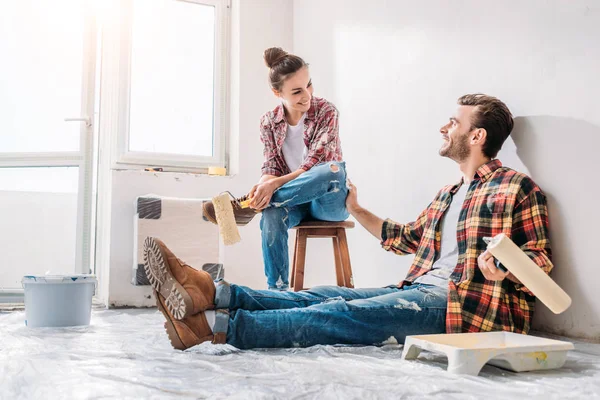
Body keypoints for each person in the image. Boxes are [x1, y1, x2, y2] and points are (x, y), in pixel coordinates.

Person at [143, 94, 553, 351]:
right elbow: (405, 238)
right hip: (420, 289)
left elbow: (539, 261)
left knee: (341, 313)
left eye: (454, 122)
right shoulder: (448, 194)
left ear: (477, 136)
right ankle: (212, 291)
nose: (444, 127)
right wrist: (356, 208)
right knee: (326, 294)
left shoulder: (516, 189)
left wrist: (502, 266)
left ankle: (214, 326)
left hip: (463, 308)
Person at [202, 47, 349, 290]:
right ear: (276, 92)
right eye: (297, 91)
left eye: (309, 85)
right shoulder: (269, 122)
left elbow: (315, 162)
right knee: (271, 212)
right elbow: (271, 163)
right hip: (294, 201)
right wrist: (263, 184)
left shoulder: (326, 111)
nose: (308, 95)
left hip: (328, 200)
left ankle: (249, 207)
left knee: (332, 170)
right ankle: (277, 292)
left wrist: (272, 187)